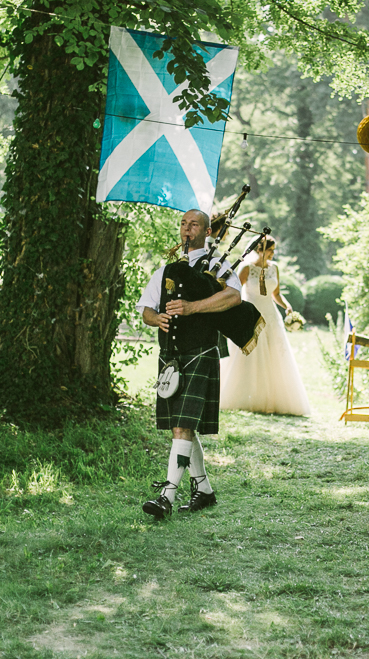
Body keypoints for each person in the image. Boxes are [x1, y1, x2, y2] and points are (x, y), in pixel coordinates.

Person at [135, 209, 241, 519]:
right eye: (183, 223)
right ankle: (204, 490)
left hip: (200, 351)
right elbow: (145, 310)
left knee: (182, 426)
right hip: (171, 356)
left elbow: (233, 297)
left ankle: (167, 495)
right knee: (181, 427)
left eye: (193, 224)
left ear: (207, 232)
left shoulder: (217, 266)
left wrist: (193, 307)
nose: (186, 229)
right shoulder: (167, 268)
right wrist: (159, 318)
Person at [220, 235, 312, 416]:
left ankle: (272, 399)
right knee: (248, 356)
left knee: (273, 356)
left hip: (270, 316)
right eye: (270, 249)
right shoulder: (247, 268)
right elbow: (234, 291)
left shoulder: (275, 268)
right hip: (250, 315)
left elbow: (275, 294)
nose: (273, 253)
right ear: (259, 249)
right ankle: (242, 397)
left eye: (273, 250)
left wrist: (287, 306)